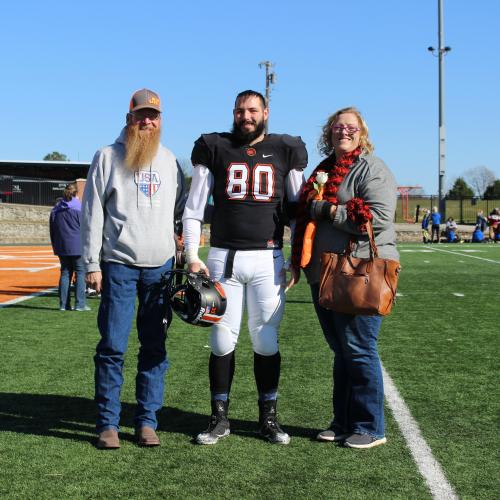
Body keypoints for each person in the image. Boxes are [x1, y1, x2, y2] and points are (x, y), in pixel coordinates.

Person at [182, 90, 307, 445]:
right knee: (221, 339)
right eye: (240, 110)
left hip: (268, 258)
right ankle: (219, 418)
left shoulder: (286, 149)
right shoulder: (214, 147)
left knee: (266, 340)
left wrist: (297, 256)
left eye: (252, 110)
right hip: (224, 257)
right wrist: (193, 254)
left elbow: (296, 212)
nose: (245, 116)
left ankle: (268, 418)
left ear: (265, 112)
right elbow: (193, 208)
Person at [81, 88, 186, 449]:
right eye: (141, 115)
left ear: (160, 121)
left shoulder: (170, 161)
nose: (147, 121)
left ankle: (146, 421)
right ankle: (108, 424)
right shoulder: (108, 157)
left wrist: (184, 256)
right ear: (129, 119)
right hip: (119, 265)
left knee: (155, 346)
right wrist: (91, 263)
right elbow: (93, 214)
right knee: (112, 345)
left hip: (159, 269)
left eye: (153, 116)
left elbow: (178, 216)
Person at [289, 107, 398, 449]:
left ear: (361, 133)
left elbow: (376, 219)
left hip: (358, 272)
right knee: (342, 349)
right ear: (329, 132)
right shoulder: (323, 168)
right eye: (337, 127)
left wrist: (327, 211)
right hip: (324, 274)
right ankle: (343, 421)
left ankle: (370, 426)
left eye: (350, 128)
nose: (343, 132)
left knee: (359, 347)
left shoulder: (371, 168)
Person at [49, 182, 89, 311]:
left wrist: (56, 245)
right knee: (81, 272)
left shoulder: (56, 209)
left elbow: (52, 229)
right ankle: (80, 304)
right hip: (78, 246)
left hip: (62, 246)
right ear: (76, 193)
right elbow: (86, 228)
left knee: (65, 273)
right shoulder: (80, 207)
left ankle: (63, 305)